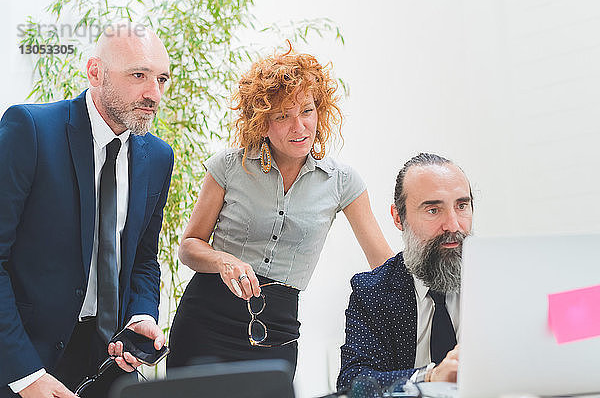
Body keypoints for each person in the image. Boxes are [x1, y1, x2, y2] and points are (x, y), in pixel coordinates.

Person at [167, 45, 393, 373]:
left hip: (277, 331)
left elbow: (383, 265)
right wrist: (225, 261)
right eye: (282, 116)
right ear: (262, 122)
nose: (299, 126)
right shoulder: (229, 167)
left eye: (307, 111)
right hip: (205, 322)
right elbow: (189, 247)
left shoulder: (342, 182)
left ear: (321, 111)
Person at [0, 23, 174, 398]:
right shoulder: (29, 129)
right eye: (139, 75)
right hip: (26, 359)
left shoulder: (158, 157)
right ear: (95, 72)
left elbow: (144, 258)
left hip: (108, 364)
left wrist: (141, 316)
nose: (154, 93)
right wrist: (26, 374)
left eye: (162, 79)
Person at [337, 153, 473, 392]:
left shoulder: (503, 279)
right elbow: (353, 382)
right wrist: (429, 376)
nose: (453, 224)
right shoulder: (372, 292)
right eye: (433, 210)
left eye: (461, 206)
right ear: (398, 218)